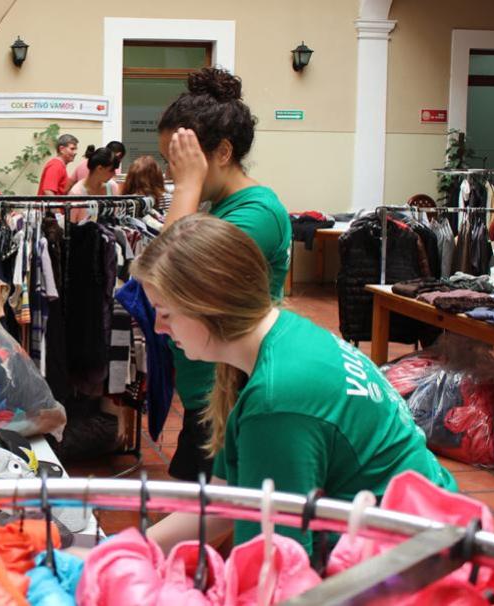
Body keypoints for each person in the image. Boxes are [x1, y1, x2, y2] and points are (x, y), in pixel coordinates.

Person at [134, 214, 456, 554]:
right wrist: (117, 550)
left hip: (413, 564)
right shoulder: (282, 337)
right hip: (428, 533)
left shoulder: (277, 400)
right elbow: (225, 503)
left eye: (165, 312)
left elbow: (271, 567)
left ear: (209, 306)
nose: (158, 328)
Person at [157, 67, 292, 484]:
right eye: (170, 163)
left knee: (216, 521)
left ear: (222, 153)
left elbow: (168, 272)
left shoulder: (258, 213)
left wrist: (186, 188)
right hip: (208, 390)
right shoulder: (220, 208)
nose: (171, 173)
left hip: (234, 394)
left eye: (180, 162)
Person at [68, 146, 119, 223]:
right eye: (111, 170)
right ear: (100, 169)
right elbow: (70, 225)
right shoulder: (76, 193)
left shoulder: (112, 187)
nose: (114, 174)